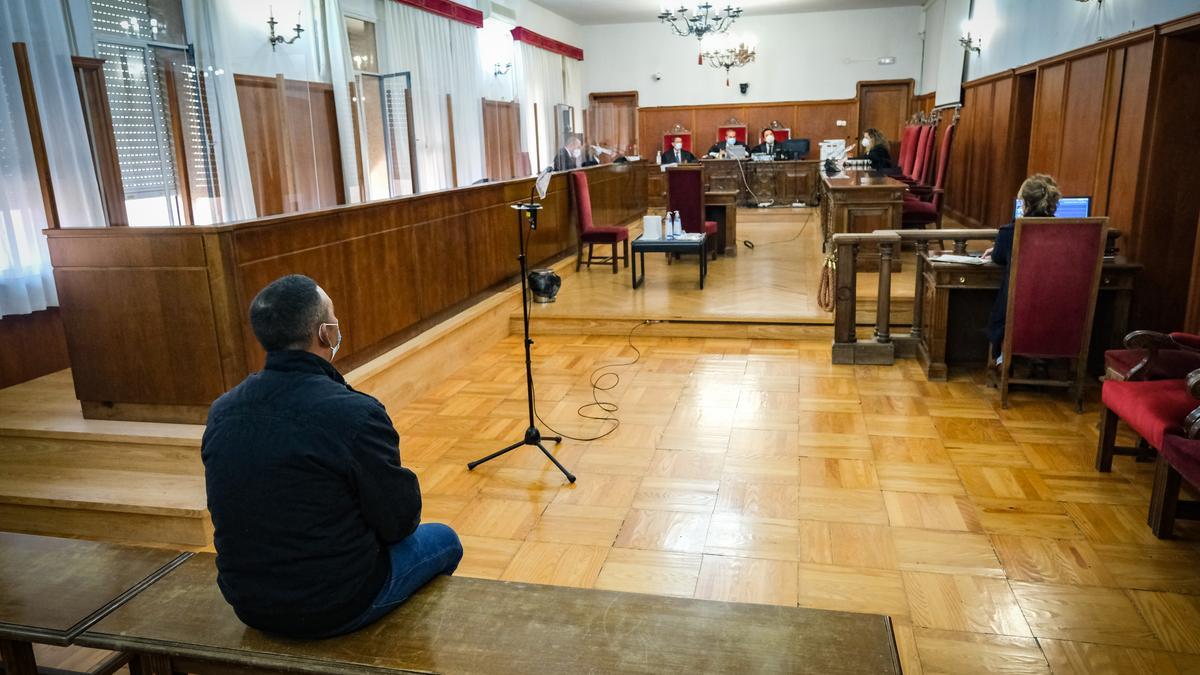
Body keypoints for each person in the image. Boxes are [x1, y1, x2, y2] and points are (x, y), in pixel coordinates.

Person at [201, 274, 462, 639]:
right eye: (334, 318)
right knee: (446, 540)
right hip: (335, 604)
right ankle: (401, 644)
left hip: (247, 601)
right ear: (326, 333)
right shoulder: (355, 414)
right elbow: (400, 522)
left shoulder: (222, 410)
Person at [984, 174, 1062, 361]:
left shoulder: (1010, 232)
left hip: (1018, 315)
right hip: (1061, 316)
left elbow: (998, 257)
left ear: (1024, 203)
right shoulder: (1070, 233)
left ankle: (1004, 358)